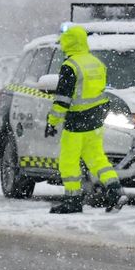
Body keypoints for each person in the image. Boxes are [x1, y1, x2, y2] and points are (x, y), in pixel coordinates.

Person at [45, 24, 124, 214]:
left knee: (68, 161)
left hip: (76, 121)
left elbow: (63, 100)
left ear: (68, 42)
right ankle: (115, 191)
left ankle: (73, 200)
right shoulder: (96, 62)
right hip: (96, 119)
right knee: (97, 158)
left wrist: (52, 122)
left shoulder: (70, 66)